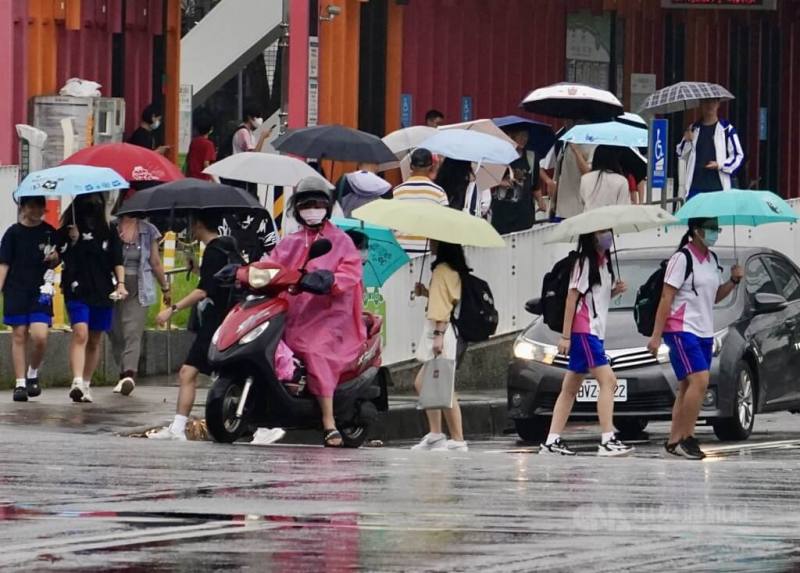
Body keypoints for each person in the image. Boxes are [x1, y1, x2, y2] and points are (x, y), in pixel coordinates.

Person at [266, 176, 366, 447]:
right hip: (292, 313)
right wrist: (244, 271)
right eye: (306, 204)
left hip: (330, 317)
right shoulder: (290, 241)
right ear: (297, 209)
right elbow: (270, 265)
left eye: (317, 204)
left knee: (315, 351)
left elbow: (350, 273)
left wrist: (328, 281)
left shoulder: (340, 241)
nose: (311, 209)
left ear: (327, 206)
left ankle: (328, 421)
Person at [647, 217, 743, 460]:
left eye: (716, 228)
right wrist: (656, 336)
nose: (714, 233)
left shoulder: (712, 260)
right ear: (697, 231)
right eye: (711, 228)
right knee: (700, 380)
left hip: (704, 331)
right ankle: (687, 438)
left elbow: (713, 297)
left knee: (687, 387)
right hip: (681, 329)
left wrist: (732, 281)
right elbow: (666, 297)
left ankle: (673, 440)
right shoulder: (682, 259)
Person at [149, 211, 244, 440]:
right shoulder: (229, 248)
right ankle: (179, 426)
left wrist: (171, 310)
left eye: (192, 224)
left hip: (214, 322)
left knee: (187, 372)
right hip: (233, 319)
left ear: (199, 225)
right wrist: (197, 269)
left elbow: (204, 290)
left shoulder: (213, 251)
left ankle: (178, 428)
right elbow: (218, 280)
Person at [539, 230, 633, 457]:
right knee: (609, 381)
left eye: (610, 232)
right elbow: (572, 298)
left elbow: (595, 299)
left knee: (570, 389)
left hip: (594, 331)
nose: (608, 236)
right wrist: (566, 336)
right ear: (591, 237)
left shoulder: (605, 264)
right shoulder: (584, 263)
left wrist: (613, 292)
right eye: (602, 232)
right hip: (584, 332)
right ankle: (607, 438)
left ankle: (551, 441)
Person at [56, 193, 127, 403]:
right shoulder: (67, 230)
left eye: (96, 201)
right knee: (80, 332)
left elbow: (117, 259)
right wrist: (73, 240)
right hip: (76, 287)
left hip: (103, 288)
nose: (92, 205)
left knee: (95, 338)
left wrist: (121, 283)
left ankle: (86, 383)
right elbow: (60, 256)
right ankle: (76, 380)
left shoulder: (109, 230)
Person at [411, 241, 468, 452]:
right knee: (430, 384)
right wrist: (426, 292)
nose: (431, 243)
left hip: (441, 332)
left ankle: (457, 439)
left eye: (434, 240)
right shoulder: (451, 269)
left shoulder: (443, 270)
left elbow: (443, 306)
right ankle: (436, 434)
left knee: (441, 386)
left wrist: (438, 335)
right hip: (442, 331)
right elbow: (446, 299)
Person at [0, 196, 59, 402]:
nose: (36, 211)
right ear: (23, 208)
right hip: (16, 289)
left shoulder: (50, 232)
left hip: (41, 290)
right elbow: (4, 264)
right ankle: (20, 383)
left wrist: (55, 259)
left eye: (39, 207)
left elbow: (58, 259)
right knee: (19, 334)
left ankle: (33, 372)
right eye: (31, 206)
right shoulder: (12, 233)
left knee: (40, 336)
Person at [108, 214, 169, 396]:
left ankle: (129, 375)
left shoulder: (149, 230)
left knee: (132, 331)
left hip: (139, 286)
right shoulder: (111, 226)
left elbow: (155, 262)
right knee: (115, 332)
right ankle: (121, 372)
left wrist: (165, 286)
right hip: (112, 285)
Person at [677, 98, 744, 201]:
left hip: (718, 186)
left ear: (718, 104)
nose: (710, 105)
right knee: (694, 216)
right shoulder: (693, 128)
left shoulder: (727, 129)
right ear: (701, 104)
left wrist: (720, 165)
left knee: (714, 217)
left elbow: (738, 155)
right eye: (706, 101)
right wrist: (687, 141)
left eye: (713, 102)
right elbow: (680, 154)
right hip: (694, 186)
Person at [391, 148, 449, 254]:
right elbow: (443, 225)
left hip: (401, 251)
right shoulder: (438, 192)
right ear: (431, 166)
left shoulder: (397, 191)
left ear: (411, 166)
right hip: (426, 251)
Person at [490, 127, 544, 234]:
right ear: (511, 135)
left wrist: (540, 200)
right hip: (502, 215)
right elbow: (487, 178)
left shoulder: (531, 157)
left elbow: (535, 184)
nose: (524, 139)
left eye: (526, 136)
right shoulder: (498, 155)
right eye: (521, 135)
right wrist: (500, 182)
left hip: (524, 214)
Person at [540, 121, 595, 220]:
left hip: (580, 208)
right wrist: (550, 182)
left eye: (572, 122)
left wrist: (576, 151)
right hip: (560, 207)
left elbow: (588, 174)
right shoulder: (563, 144)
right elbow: (552, 169)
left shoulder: (593, 147)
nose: (568, 124)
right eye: (566, 122)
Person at [579, 145, 632, 211]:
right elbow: (624, 207)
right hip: (612, 219)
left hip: (588, 219)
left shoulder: (585, 178)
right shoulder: (621, 181)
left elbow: (583, 201)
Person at [185, 115, 217, 180]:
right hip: (202, 178)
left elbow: (188, 159)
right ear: (210, 130)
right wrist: (214, 180)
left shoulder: (194, 142)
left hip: (191, 177)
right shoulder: (209, 144)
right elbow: (206, 164)